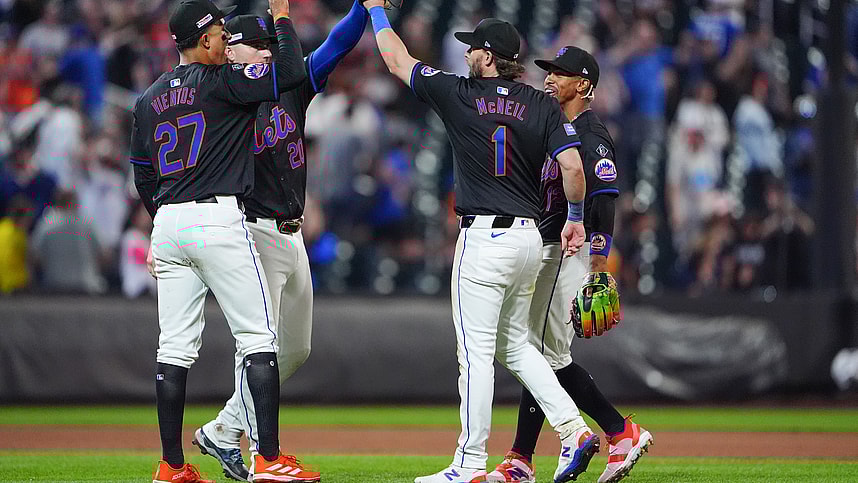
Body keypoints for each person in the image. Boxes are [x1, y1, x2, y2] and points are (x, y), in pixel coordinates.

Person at [364, 3, 600, 482]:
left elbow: (395, 61)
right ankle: (574, 429)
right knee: (516, 345)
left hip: (485, 238)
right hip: (531, 240)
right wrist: (575, 217)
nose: (466, 51)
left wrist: (375, 11)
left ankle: (468, 465)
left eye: (474, 47)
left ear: (489, 57)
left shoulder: (461, 93)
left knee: (474, 353)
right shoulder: (541, 103)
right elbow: (574, 167)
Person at [128, 0, 310, 481]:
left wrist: (160, 219)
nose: (227, 39)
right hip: (216, 217)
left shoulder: (148, 99)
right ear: (203, 39)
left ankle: (171, 466)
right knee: (258, 336)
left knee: (174, 348)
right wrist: (283, 17)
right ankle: (267, 459)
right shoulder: (223, 82)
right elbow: (288, 70)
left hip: (168, 223)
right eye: (221, 33)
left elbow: (143, 176)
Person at [190, 4, 369, 481]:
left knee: (297, 349)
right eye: (244, 45)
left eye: (252, 44)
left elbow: (338, 45)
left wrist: (363, 7)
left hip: (291, 233)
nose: (235, 52)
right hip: (251, 229)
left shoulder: (289, 86)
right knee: (257, 343)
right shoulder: (227, 94)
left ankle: (223, 429)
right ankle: (260, 457)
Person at [483, 46, 653, 483]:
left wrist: (598, 264)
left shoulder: (591, 134)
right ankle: (521, 457)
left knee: (545, 355)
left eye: (561, 73)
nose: (550, 78)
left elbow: (604, 199)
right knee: (536, 352)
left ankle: (619, 430)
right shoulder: (559, 127)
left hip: (566, 252)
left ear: (585, 85)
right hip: (550, 247)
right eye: (549, 71)